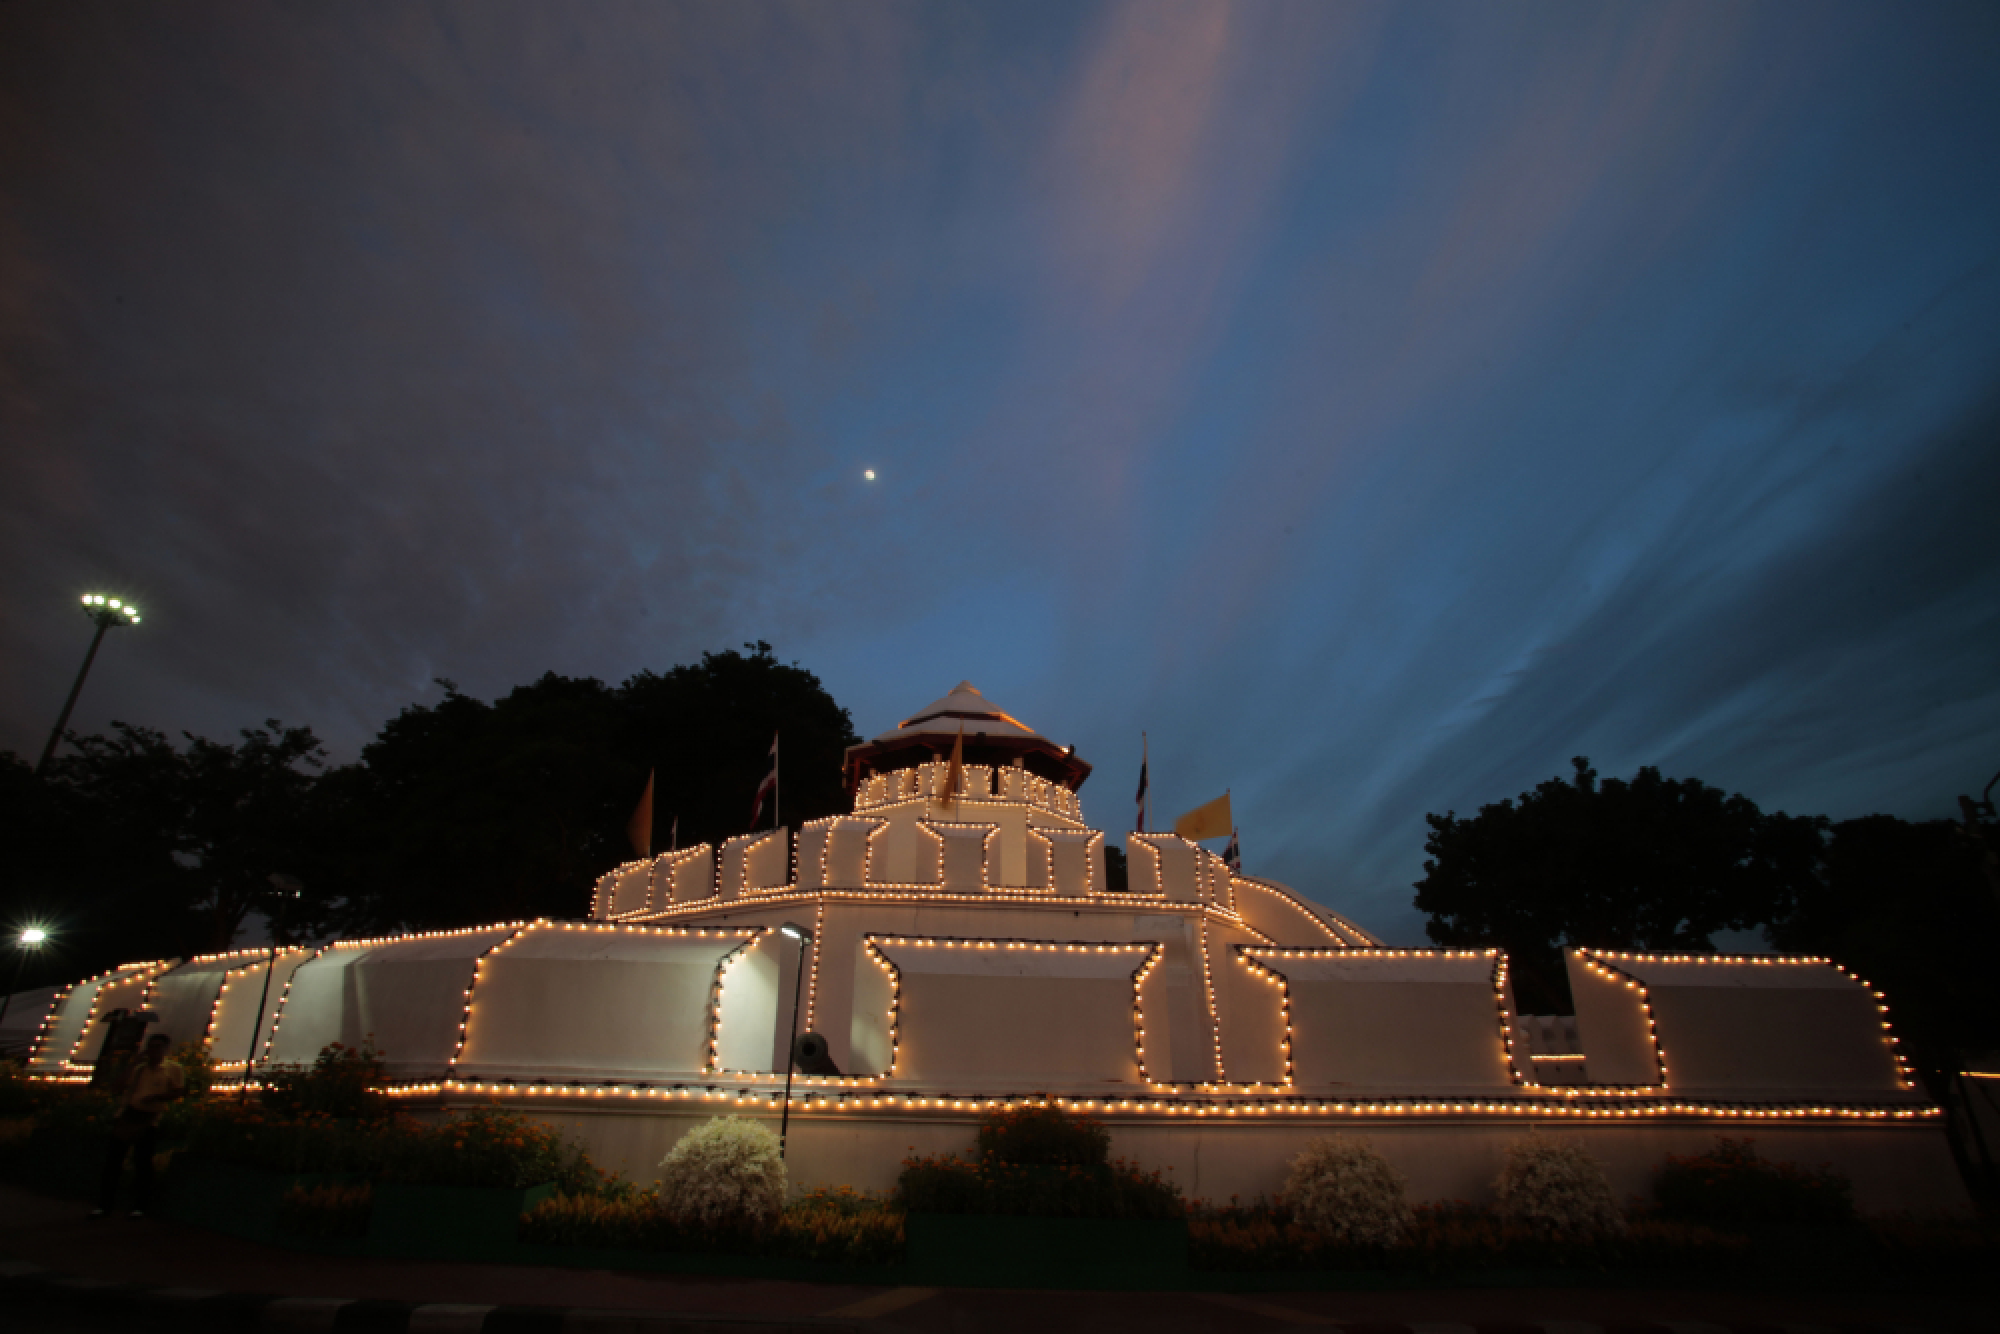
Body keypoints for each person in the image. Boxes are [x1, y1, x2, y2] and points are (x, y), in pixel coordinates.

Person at [93, 1032, 185, 1218]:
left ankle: (140, 1205)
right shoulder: (139, 1069)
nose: (153, 1051)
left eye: (158, 1047)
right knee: (113, 1162)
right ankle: (104, 1204)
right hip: (128, 1115)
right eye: (151, 1047)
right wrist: (134, 1064)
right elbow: (117, 1086)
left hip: (149, 1118)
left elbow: (179, 1091)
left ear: (165, 1049)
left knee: (142, 1163)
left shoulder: (172, 1069)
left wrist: (157, 1097)